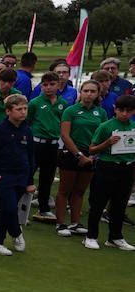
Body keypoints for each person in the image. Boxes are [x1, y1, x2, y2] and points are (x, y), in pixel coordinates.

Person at [0, 94, 36, 255]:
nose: (23, 112)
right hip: (3, 177)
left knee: (7, 210)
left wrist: (30, 181)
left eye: (25, 108)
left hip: (22, 177)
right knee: (10, 208)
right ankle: (14, 233)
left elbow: (31, 156)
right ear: (8, 111)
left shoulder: (27, 130)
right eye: (19, 109)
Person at [81, 95, 135, 250]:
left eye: (128, 111)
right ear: (115, 110)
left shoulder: (133, 127)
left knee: (120, 204)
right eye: (121, 110)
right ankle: (91, 236)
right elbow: (92, 149)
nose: (124, 113)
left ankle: (115, 237)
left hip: (127, 167)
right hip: (107, 167)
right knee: (98, 203)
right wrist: (108, 142)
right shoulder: (106, 126)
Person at [56, 80, 104, 237]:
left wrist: (92, 155)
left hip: (91, 155)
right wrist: (79, 155)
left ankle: (75, 223)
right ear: (80, 92)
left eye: (92, 91)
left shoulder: (101, 113)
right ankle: (61, 223)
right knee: (65, 189)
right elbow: (65, 135)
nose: (89, 94)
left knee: (80, 190)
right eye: (86, 91)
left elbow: (102, 135)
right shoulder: (71, 110)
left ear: (97, 94)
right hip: (71, 153)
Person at [27, 71, 66, 221]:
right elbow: (28, 122)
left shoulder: (63, 103)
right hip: (37, 143)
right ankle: (19, 206)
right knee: (28, 174)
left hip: (53, 144)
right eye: (45, 85)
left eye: (52, 84)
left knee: (47, 177)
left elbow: (63, 124)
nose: (48, 88)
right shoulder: (35, 103)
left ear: (58, 85)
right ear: (41, 86)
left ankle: (43, 208)